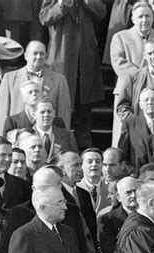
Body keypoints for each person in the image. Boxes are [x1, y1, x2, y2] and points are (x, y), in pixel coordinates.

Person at [40, 0, 105, 149]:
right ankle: (60, 147)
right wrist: (60, 3)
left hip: (85, 60)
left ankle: (85, 148)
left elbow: (101, 12)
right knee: (60, 107)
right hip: (62, 60)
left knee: (85, 108)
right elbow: (44, 18)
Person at [0, 41, 72, 134]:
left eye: (42, 53)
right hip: (18, 134)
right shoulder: (9, 79)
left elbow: (64, 115)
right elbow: (2, 114)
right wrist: (2, 138)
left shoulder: (59, 80)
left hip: (48, 136)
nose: (39, 57)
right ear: (26, 56)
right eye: (35, 53)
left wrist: (63, 138)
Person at [118, 88, 154, 167]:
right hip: (138, 175)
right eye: (146, 100)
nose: (150, 102)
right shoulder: (130, 124)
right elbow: (121, 154)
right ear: (140, 105)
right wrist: (131, 173)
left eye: (153, 99)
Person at [77, 148, 110, 216]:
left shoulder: (110, 187)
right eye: (89, 161)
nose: (94, 164)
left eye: (98, 161)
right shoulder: (75, 188)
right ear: (81, 165)